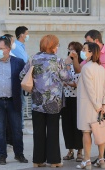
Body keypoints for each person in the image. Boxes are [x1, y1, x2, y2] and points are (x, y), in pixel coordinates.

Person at [72, 29, 105, 166]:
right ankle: (103, 156)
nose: (85, 46)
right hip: (99, 100)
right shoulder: (93, 61)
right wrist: (73, 60)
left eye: (88, 43)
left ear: (96, 41)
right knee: (101, 128)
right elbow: (81, 70)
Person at [20, 34, 73, 168]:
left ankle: (37, 160)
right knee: (53, 131)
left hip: (37, 102)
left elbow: (22, 75)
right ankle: (54, 160)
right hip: (54, 102)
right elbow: (67, 78)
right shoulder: (58, 61)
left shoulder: (33, 59)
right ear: (54, 46)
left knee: (38, 132)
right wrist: (67, 65)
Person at [71, 42, 105, 169]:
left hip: (88, 106)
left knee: (86, 132)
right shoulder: (101, 68)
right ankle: (101, 159)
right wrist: (104, 104)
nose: (83, 51)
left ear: (91, 52)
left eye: (85, 49)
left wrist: (98, 105)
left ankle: (86, 161)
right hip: (100, 107)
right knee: (100, 133)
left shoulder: (86, 68)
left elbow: (89, 89)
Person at [0, 36, 27, 165]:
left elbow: (25, 78)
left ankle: (19, 154)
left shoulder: (18, 62)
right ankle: (2, 156)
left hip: (14, 101)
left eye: (0, 48)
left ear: (7, 49)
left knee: (17, 129)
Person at [61, 41, 83, 162]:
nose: (71, 52)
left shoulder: (81, 64)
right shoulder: (66, 63)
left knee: (78, 125)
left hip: (78, 98)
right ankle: (70, 150)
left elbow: (78, 82)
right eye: (69, 49)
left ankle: (80, 150)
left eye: (73, 50)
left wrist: (68, 83)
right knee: (66, 124)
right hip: (66, 98)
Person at [11, 26, 32, 135]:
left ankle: (20, 126)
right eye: (26, 33)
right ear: (22, 35)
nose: (28, 36)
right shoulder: (17, 47)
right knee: (21, 103)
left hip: (22, 78)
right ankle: (20, 127)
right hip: (18, 78)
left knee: (22, 102)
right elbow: (25, 62)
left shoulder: (21, 46)